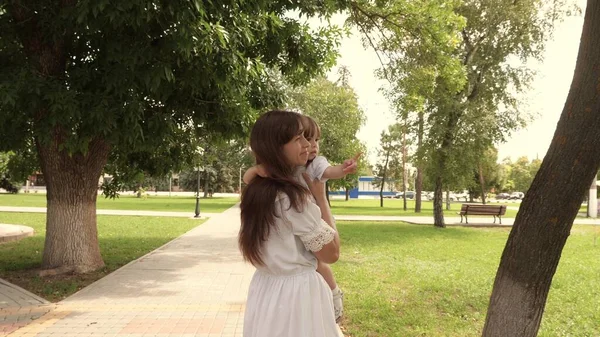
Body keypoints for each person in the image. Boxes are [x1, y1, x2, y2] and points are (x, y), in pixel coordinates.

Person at [243, 114, 360, 322]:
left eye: (310, 139)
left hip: (264, 293)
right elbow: (331, 253)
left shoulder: (255, 190)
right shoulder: (292, 198)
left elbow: (329, 170)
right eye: (299, 139)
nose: (308, 144)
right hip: (296, 300)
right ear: (276, 146)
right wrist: (321, 197)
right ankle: (335, 298)